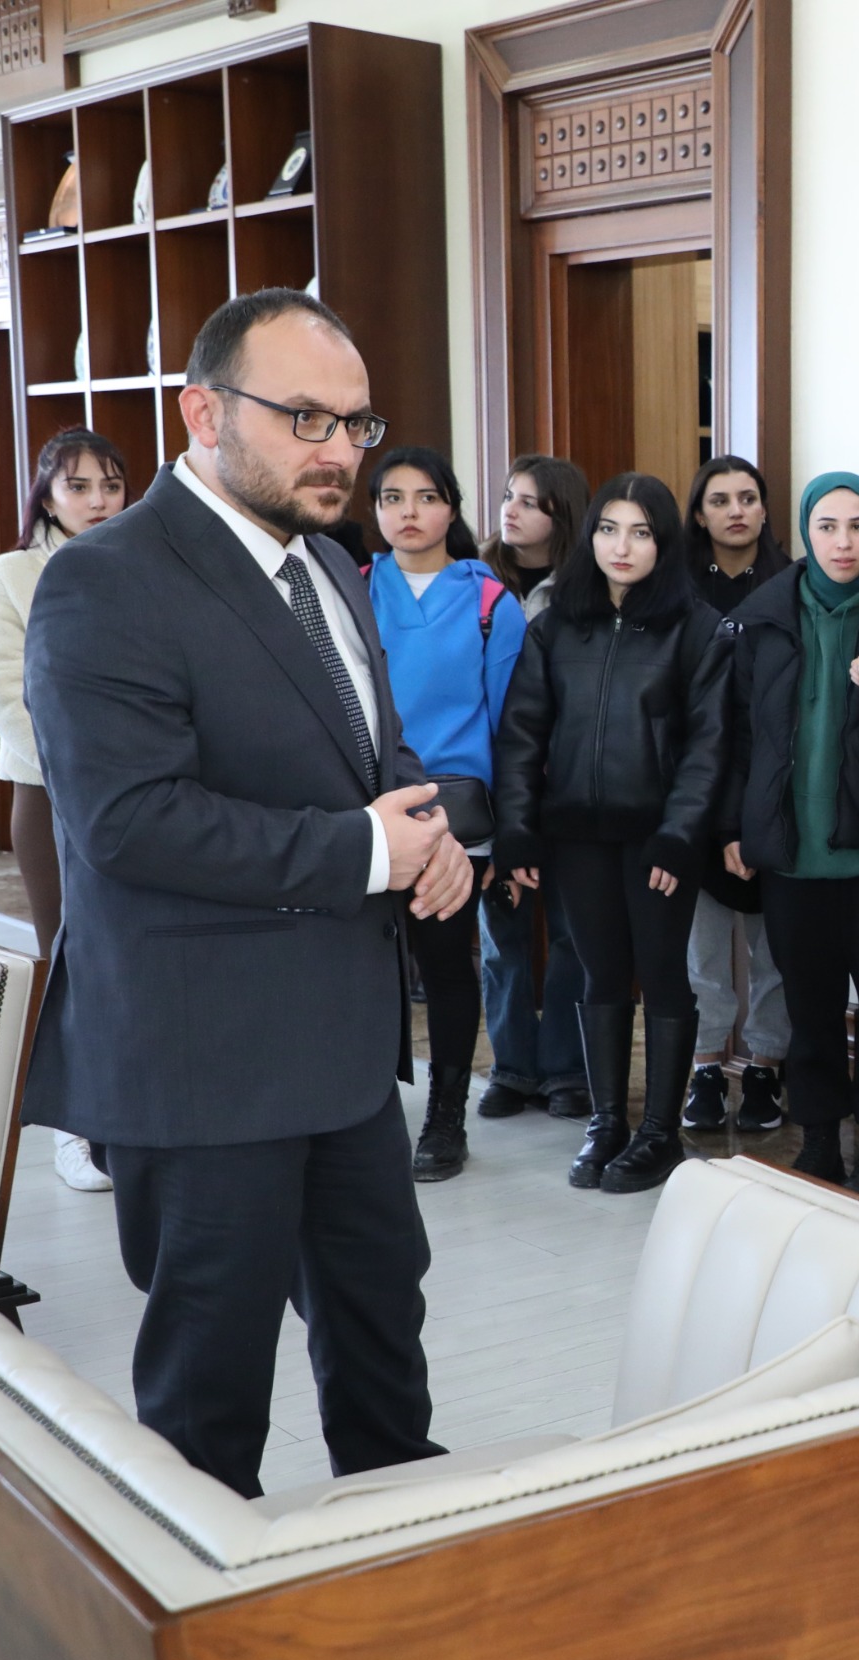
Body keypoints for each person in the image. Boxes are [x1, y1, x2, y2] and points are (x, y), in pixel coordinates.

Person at [20, 288, 474, 1498]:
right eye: (305, 418)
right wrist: (365, 852)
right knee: (207, 1409)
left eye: (356, 424)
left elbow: (369, 754)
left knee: (385, 1356)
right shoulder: (107, 580)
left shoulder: (329, 561)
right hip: (202, 1058)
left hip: (343, 1053)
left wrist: (429, 832)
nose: (340, 452)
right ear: (203, 413)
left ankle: (398, 1572)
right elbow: (127, 821)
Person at [493, 472, 731, 1196]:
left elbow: (709, 744)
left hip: (657, 840)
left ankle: (659, 1133)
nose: (620, 547)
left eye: (640, 533)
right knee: (599, 974)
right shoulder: (556, 624)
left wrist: (680, 834)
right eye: (607, 530)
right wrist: (518, 830)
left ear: (664, 542)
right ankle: (607, 1124)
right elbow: (522, 735)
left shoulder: (697, 628)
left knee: (660, 974)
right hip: (577, 834)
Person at [718, 473, 859, 1201]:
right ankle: (817, 1139)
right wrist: (736, 825)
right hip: (796, 852)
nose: (843, 542)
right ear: (805, 533)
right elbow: (741, 733)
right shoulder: (766, 617)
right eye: (827, 527)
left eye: (857, 526)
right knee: (809, 1009)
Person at [0, 425, 127, 1193]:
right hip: (50, 790)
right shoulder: (8, 576)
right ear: (47, 495)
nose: (98, 501)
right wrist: (94, 764)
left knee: (129, 957)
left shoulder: (140, 564)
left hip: (139, 791)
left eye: (112, 486)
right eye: (79, 486)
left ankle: (131, 1114)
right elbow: (6, 694)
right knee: (69, 954)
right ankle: (75, 1125)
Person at [365, 445, 527, 1182]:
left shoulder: (492, 603)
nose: (409, 512)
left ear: (452, 509)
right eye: (392, 498)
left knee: (446, 966)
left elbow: (511, 729)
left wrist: (510, 838)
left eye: (426, 498)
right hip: (365, 812)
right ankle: (364, 1115)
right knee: (364, 973)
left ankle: (445, 1119)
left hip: (453, 819)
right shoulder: (351, 590)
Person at [476, 454, 592, 1123]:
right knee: (503, 932)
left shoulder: (585, 590)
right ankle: (513, 1066)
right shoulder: (477, 581)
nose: (510, 510)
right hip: (492, 780)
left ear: (561, 513)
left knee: (574, 933)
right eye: (507, 496)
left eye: (529, 501)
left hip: (567, 783)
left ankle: (566, 1068)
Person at [679, 455, 790, 1140]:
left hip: (772, 782)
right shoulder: (678, 587)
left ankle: (765, 1066)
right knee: (704, 946)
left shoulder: (790, 583)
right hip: (695, 785)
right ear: (699, 514)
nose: (736, 511)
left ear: (765, 508)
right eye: (719, 500)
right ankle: (704, 1066)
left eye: (748, 497)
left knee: (773, 947)